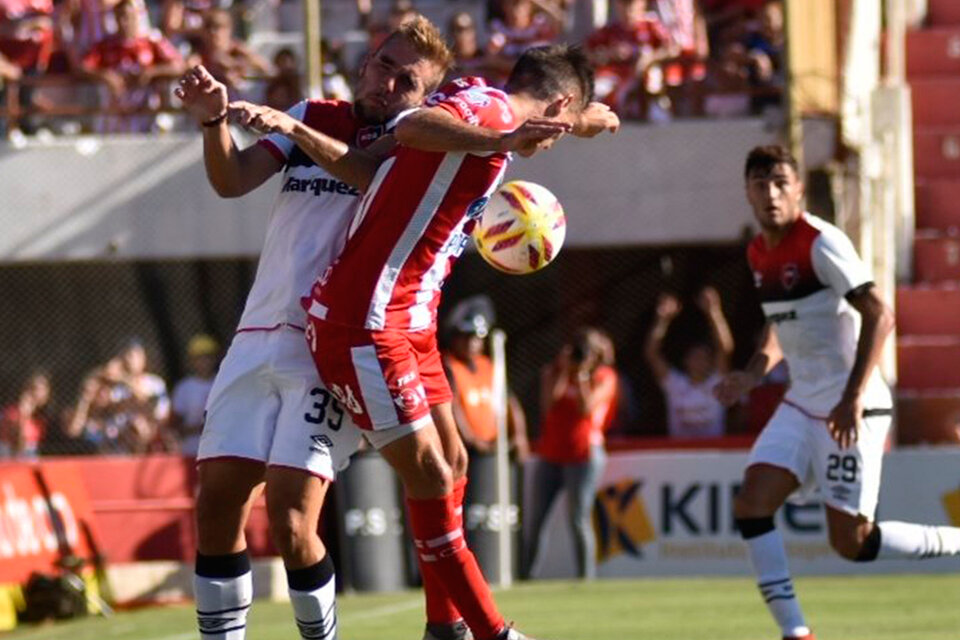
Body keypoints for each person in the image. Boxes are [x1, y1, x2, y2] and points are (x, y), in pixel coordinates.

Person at [230, 43, 617, 640]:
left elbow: (390, 155)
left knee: (455, 463)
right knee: (432, 478)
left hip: (412, 320)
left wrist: (582, 120)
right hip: (366, 321)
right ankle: (493, 633)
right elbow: (413, 125)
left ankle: (445, 627)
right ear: (557, 102)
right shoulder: (489, 116)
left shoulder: (490, 100)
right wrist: (503, 143)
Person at [175, 17, 459, 640]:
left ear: (425, 98)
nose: (387, 83)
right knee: (218, 503)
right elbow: (231, 181)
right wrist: (211, 121)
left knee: (293, 521)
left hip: (327, 347)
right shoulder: (316, 112)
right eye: (383, 66)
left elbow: (368, 177)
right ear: (364, 64)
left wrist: (292, 127)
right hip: (255, 336)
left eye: (406, 80)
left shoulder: (417, 147)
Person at [713, 145, 960, 640]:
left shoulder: (821, 243)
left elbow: (879, 313)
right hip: (803, 403)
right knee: (751, 503)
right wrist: (753, 372)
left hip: (854, 406)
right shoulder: (758, 251)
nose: (771, 193)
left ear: (799, 189)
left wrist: (850, 399)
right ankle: (796, 633)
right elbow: (780, 326)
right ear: (747, 193)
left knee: (852, 542)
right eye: (760, 184)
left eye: (781, 183)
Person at [523, 328, 618, 580]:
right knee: (535, 521)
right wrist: (566, 371)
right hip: (551, 454)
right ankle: (525, 577)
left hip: (583, 455)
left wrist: (583, 375)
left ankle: (586, 578)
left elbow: (587, 407)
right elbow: (548, 404)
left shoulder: (604, 377)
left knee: (578, 519)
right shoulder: (553, 373)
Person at [442, 297, 529, 460]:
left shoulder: (487, 365)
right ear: (455, 337)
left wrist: (519, 435)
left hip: (493, 447)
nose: (471, 343)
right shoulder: (449, 366)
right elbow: (453, 407)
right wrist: (471, 440)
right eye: (466, 337)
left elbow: (509, 400)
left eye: (476, 337)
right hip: (467, 450)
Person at [81, 0, 184, 132]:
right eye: (121, 16)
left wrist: (152, 72)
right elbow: (83, 67)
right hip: (116, 114)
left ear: (138, 16)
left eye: (130, 16)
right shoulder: (106, 45)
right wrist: (105, 76)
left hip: (145, 113)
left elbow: (178, 66)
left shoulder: (152, 41)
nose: (126, 21)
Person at [644, 286, 733, 438]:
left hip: (713, 453)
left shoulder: (717, 384)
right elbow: (652, 354)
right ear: (686, 361)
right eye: (695, 357)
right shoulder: (675, 384)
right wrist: (662, 320)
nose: (699, 361)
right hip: (680, 453)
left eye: (704, 358)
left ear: (711, 362)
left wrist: (714, 312)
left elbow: (725, 349)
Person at [170, 333, 219, 455]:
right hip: (192, 450)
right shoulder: (184, 387)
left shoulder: (221, 383)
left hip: (220, 447)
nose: (205, 362)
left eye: (208, 357)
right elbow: (175, 423)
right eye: (199, 358)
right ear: (192, 360)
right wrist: (197, 429)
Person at [0, 371, 51, 457]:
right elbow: (18, 447)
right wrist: (23, 414)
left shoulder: (45, 416)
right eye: (34, 388)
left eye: (43, 389)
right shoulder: (12, 413)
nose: (38, 393)